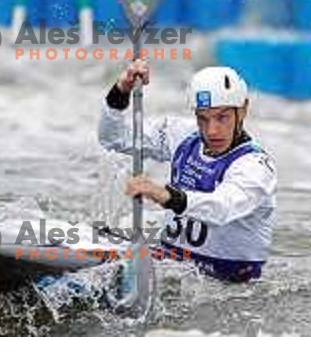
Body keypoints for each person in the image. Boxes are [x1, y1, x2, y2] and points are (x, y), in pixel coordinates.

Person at [98, 60, 277, 282]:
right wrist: (121, 91)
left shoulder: (256, 167)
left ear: (243, 110)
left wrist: (166, 195)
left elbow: (222, 208)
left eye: (222, 117)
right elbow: (113, 139)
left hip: (225, 282)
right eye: (203, 118)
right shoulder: (181, 134)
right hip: (170, 262)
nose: (212, 131)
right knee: (117, 228)